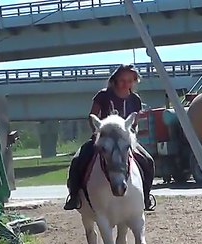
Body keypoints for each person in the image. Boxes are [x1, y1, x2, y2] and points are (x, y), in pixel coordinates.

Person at [65, 64, 156, 211]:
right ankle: (74, 196)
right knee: (78, 160)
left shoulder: (135, 99)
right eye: (122, 80)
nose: (125, 83)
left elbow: (134, 123)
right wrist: (97, 134)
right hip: (103, 140)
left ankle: (145, 197)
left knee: (148, 162)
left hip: (124, 142)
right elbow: (92, 116)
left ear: (134, 81)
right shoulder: (103, 95)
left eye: (130, 80)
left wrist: (132, 134)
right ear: (114, 80)